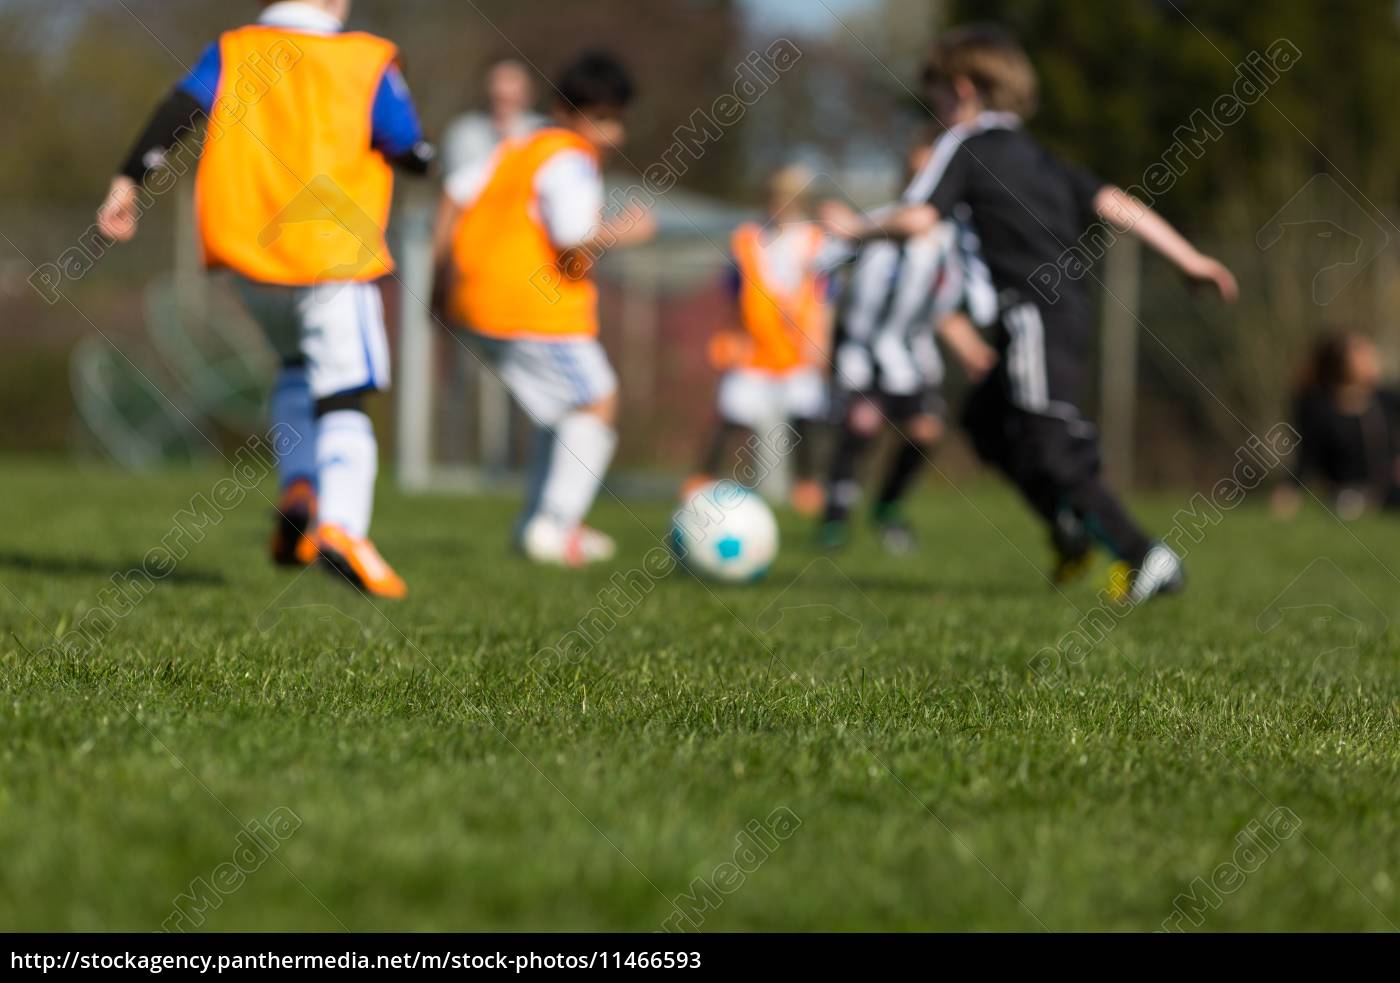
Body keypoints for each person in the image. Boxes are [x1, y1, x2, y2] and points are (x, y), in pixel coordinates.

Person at [821, 24, 1238, 603]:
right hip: (1055, 312)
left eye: (937, 97)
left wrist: (855, 227)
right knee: (986, 421)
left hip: (1035, 313)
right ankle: (1068, 528)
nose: (937, 111)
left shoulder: (962, 145)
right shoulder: (1041, 156)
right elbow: (1117, 203)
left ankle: (1147, 558)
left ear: (963, 90)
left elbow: (920, 217)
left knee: (1048, 438)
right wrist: (1188, 258)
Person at [96, 0, 432, 599]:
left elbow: (179, 109)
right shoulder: (365, 57)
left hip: (250, 257)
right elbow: (408, 146)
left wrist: (128, 182)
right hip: (334, 252)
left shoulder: (235, 48)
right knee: (347, 392)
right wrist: (416, 156)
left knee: (297, 368)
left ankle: (300, 485)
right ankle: (344, 528)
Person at [432, 50, 655, 567]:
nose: (612, 135)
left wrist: (441, 288)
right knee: (599, 399)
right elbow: (572, 238)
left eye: (615, 120)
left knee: (558, 413)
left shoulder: (518, 148)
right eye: (602, 119)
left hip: (477, 301)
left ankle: (537, 520)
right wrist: (628, 230)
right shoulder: (572, 158)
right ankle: (555, 527)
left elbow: (453, 195)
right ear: (569, 112)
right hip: (534, 306)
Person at [820, 137, 1000, 553]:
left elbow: (943, 309)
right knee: (862, 424)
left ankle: (887, 507)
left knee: (926, 431)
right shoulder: (875, 223)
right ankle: (835, 517)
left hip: (911, 358)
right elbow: (824, 275)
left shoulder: (951, 242)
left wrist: (973, 351)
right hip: (863, 353)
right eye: (915, 173)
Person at [690, 165, 835, 516]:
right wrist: (730, 336)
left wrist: (823, 344)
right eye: (776, 198)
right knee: (732, 414)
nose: (782, 206)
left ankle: (807, 486)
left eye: (790, 199)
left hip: (798, 349)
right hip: (754, 348)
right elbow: (733, 293)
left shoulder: (816, 242)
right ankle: (701, 482)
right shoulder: (748, 239)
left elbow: (826, 295)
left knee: (806, 417)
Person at [1273, 331, 1400, 521]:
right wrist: (1291, 490)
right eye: (1363, 355)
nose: (1371, 361)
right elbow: (1307, 455)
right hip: (1346, 495)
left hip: (1388, 489)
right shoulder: (1318, 408)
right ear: (1342, 363)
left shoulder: (1386, 400)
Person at [439, 56, 546, 178]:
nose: (503, 90)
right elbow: (458, 183)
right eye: (499, 81)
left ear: (530, 92)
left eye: (511, 80)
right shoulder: (465, 131)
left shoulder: (545, 132)